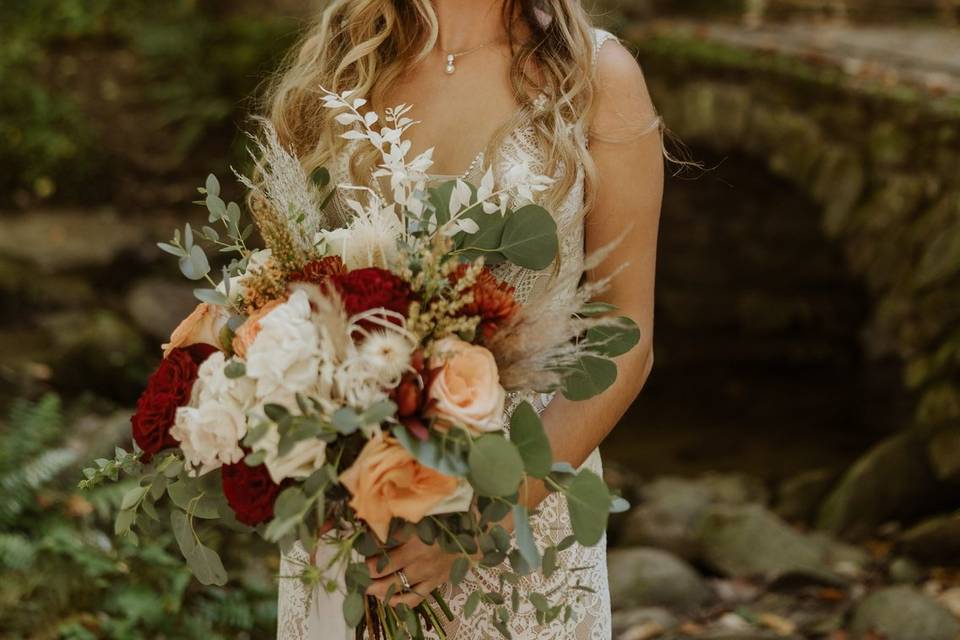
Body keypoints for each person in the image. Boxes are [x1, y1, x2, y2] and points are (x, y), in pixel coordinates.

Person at [268, 1, 663, 637]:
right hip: (350, 511)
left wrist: (479, 519)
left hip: (521, 508)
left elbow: (626, 337)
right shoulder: (341, 67)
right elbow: (285, 290)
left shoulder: (597, 78)